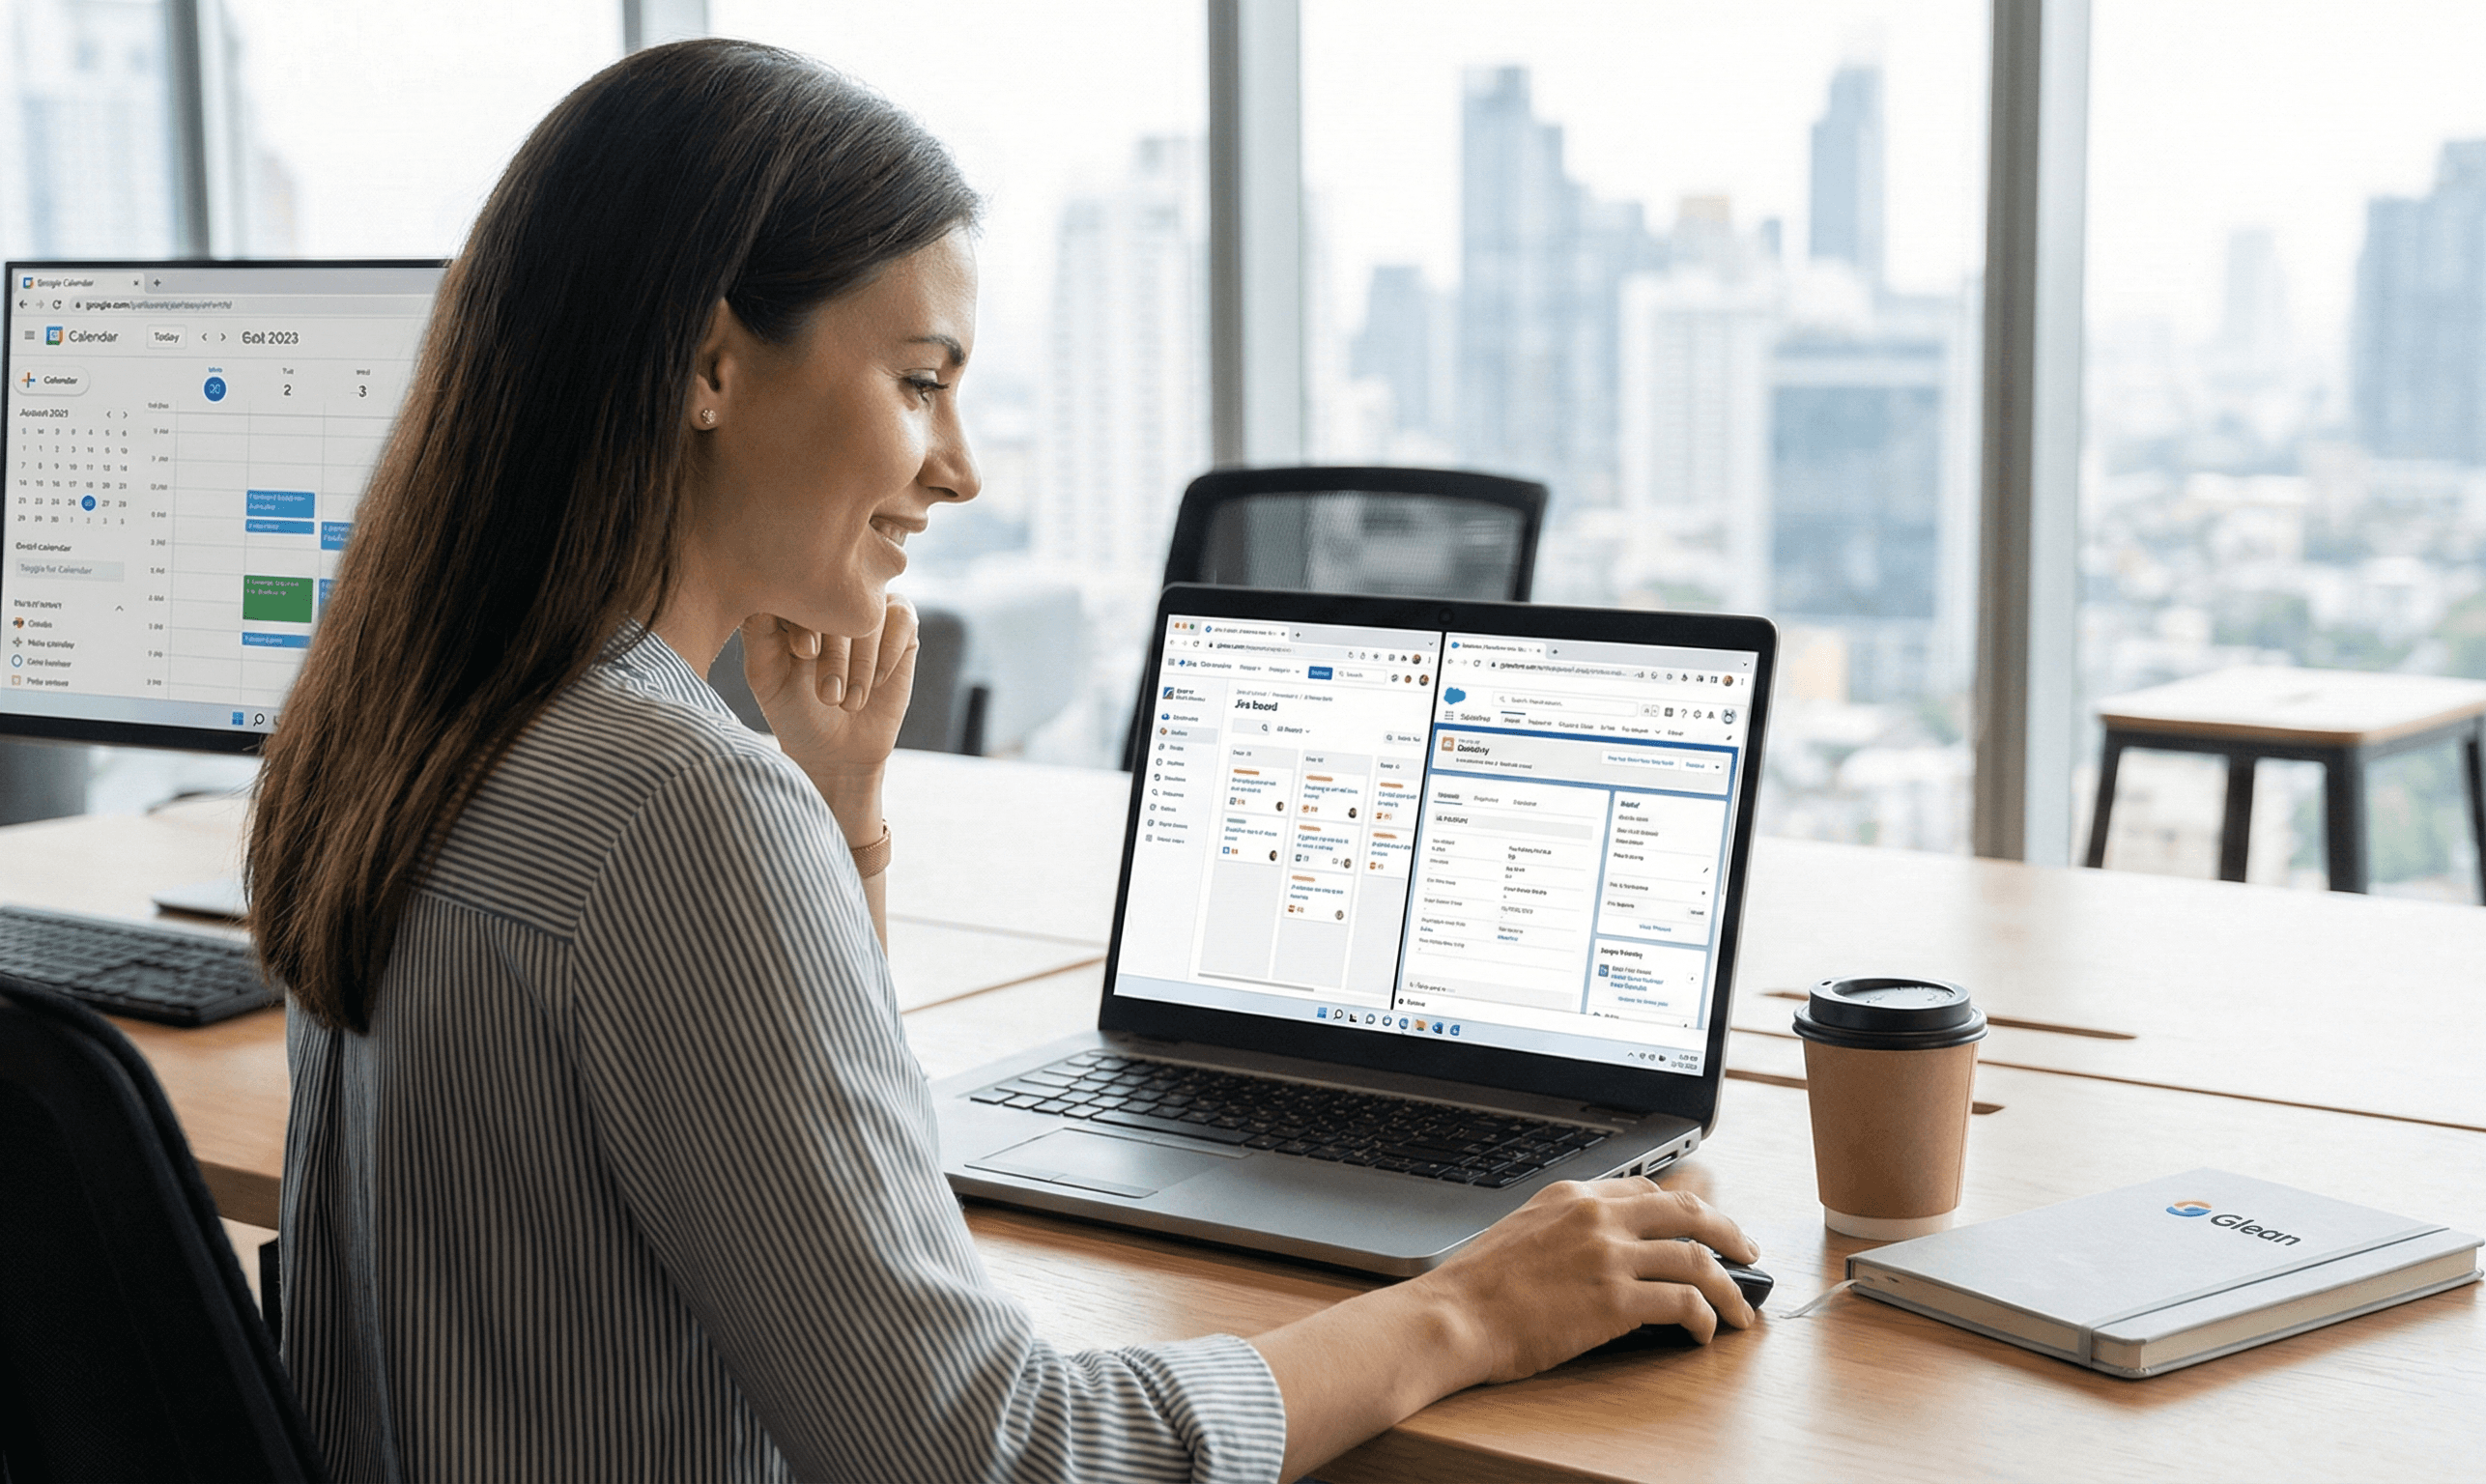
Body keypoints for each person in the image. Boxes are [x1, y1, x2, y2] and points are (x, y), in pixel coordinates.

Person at [245, 39, 1757, 1484]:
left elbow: (799, 1182)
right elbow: (988, 1453)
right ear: (708, 364)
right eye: (919, 382)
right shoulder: (676, 809)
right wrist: (1468, 1308)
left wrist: (839, 829)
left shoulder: (399, 721)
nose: (959, 466)